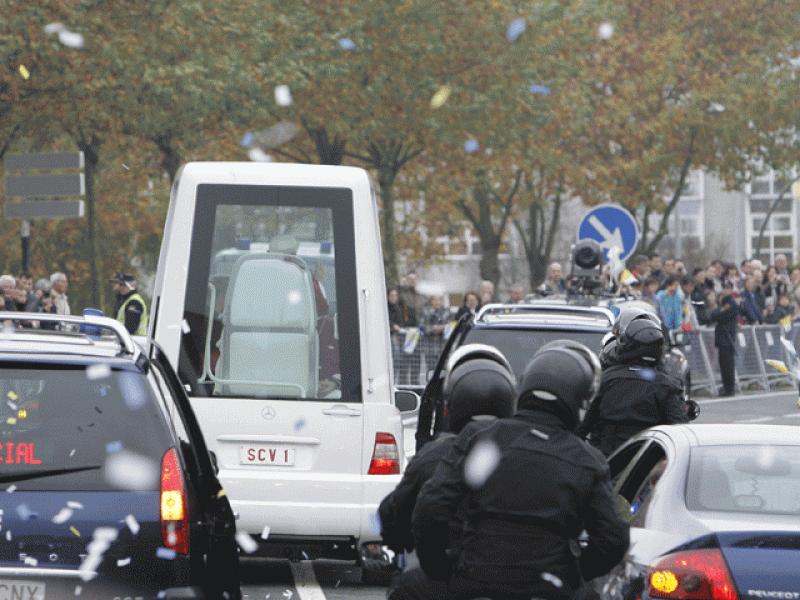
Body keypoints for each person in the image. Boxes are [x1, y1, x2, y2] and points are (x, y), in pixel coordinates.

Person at [412, 342, 629, 600]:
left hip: (475, 579)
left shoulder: (481, 438)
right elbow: (612, 540)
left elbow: (430, 506)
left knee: (406, 586)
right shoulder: (587, 460)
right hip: (550, 585)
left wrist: (440, 568)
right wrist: (575, 574)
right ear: (581, 401)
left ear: (525, 386)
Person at [379, 345, 517, 600]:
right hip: (522, 576)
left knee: (403, 589)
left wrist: (401, 541)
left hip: (453, 574)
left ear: (452, 404)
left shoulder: (434, 455)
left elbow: (394, 512)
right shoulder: (532, 452)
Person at [579, 317, 688, 456]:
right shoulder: (668, 386)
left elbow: (583, 427)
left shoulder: (605, 380)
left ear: (628, 345)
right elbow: (680, 432)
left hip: (607, 461)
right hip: (648, 461)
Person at [707, 283, 740, 397]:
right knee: (722, 364)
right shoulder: (723, 302)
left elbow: (718, 315)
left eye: (727, 289)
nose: (725, 291)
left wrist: (717, 311)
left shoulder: (730, 303)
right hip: (722, 336)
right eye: (724, 288)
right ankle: (726, 386)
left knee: (727, 364)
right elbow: (714, 315)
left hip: (727, 337)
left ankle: (729, 388)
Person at [419, 294, 451, 375]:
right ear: (431, 301)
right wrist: (433, 328)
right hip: (429, 347)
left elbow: (450, 325)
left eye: (439, 300)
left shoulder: (446, 311)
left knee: (444, 370)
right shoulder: (424, 311)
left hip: (443, 346)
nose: (437, 302)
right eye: (435, 300)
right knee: (431, 370)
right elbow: (422, 326)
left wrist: (443, 327)